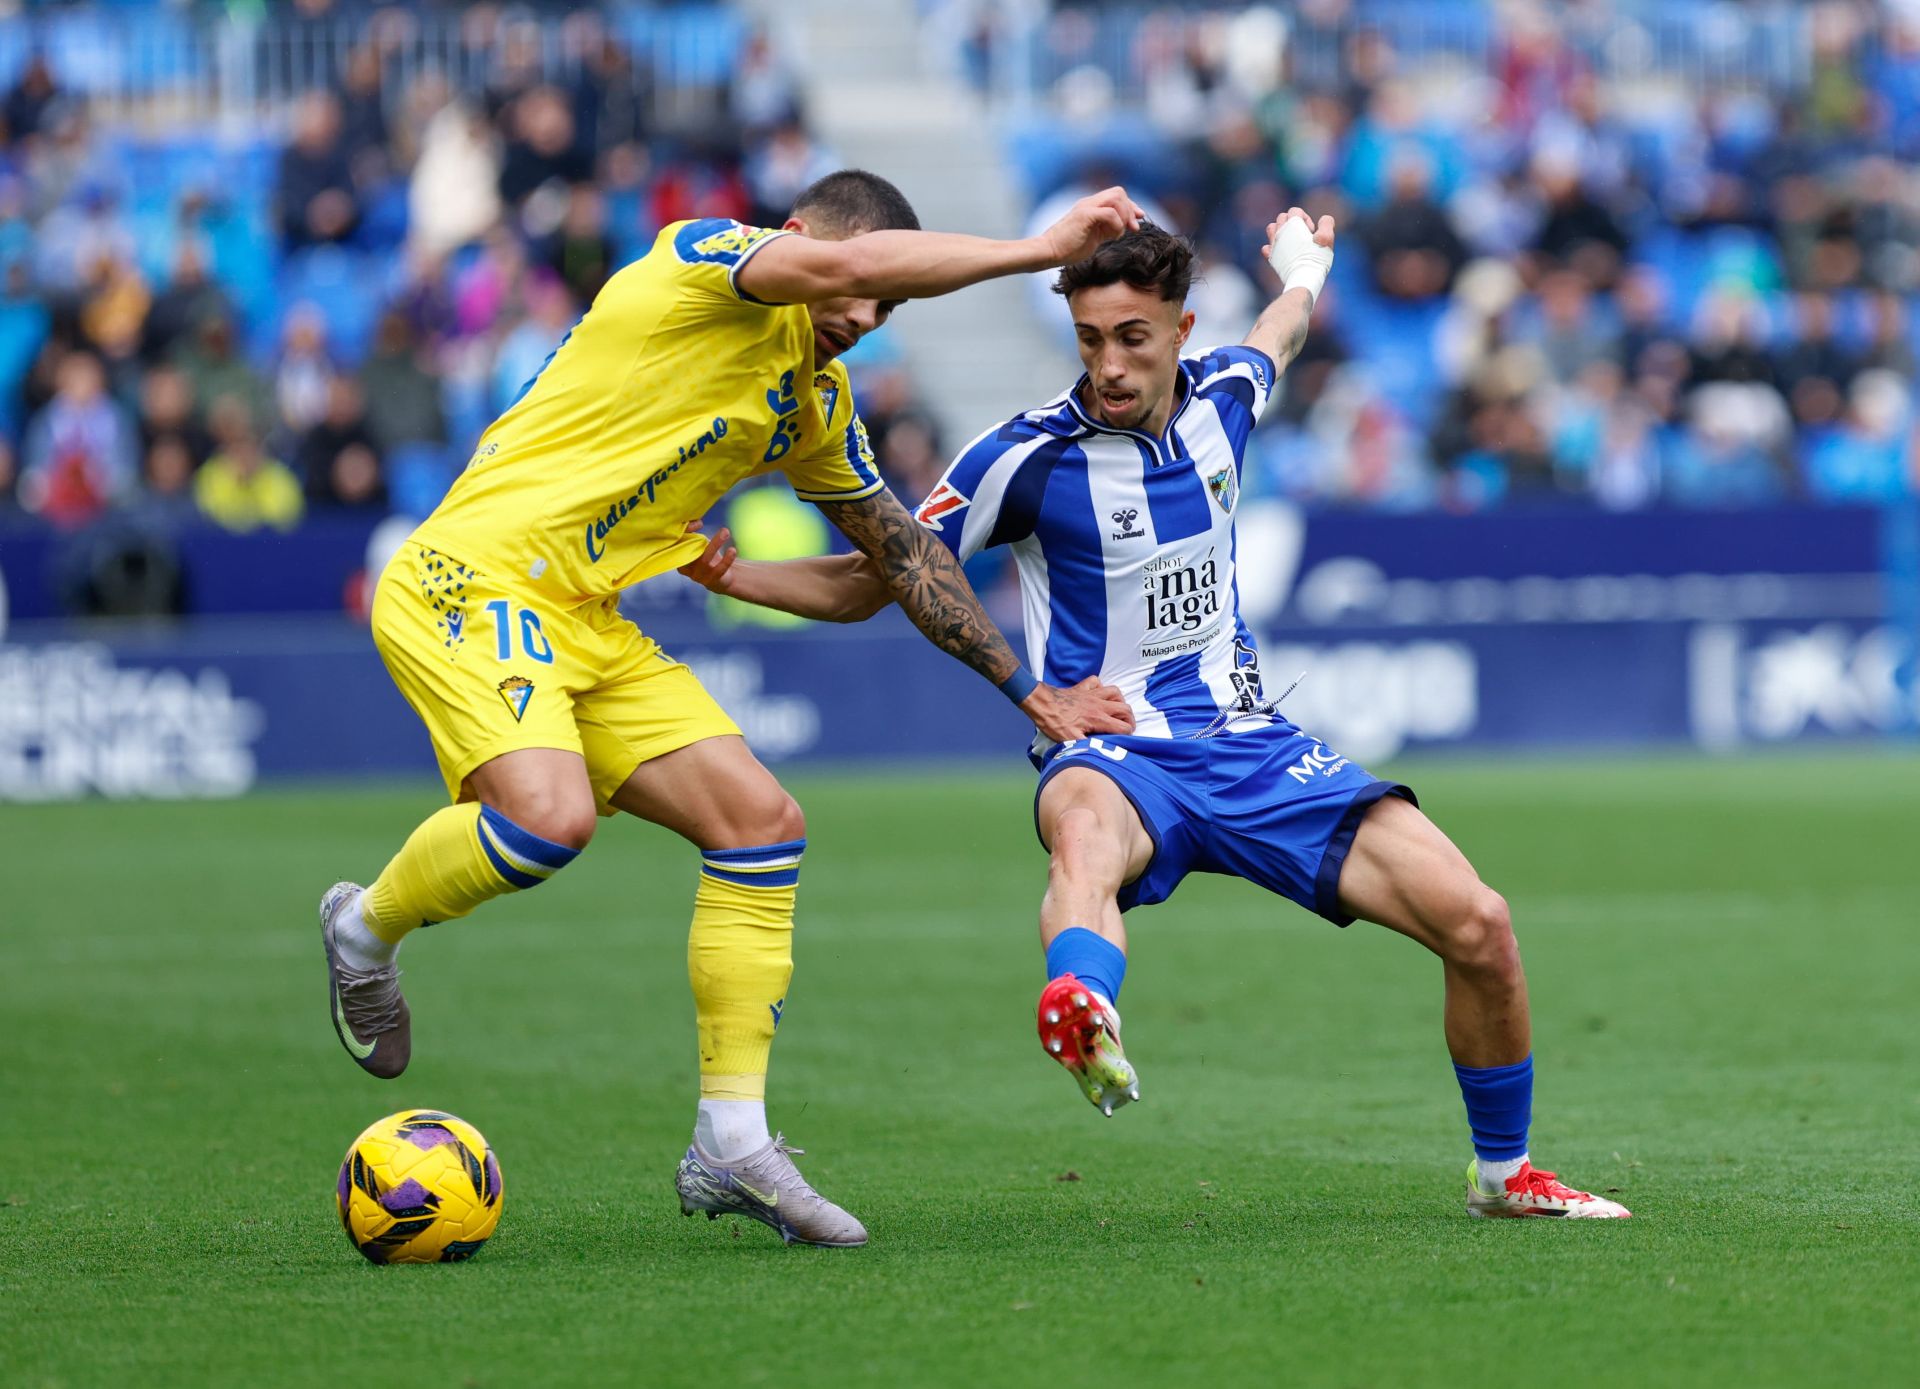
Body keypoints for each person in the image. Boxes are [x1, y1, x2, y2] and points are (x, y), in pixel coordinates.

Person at [678, 212, 1633, 1220]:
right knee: (1083, 843)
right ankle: (1081, 1005)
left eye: (1133, 337)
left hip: (1251, 747)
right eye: (1091, 341)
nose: (1111, 365)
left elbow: (1283, 331)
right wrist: (738, 573)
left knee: (1480, 924)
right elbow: (880, 578)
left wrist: (1304, 267)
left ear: (1180, 327)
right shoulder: (1025, 457)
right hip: (1113, 749)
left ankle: (1504, 1177)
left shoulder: (1227, 393)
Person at [316, 170, 1143, 1250]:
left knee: (761, 823)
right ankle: (360, 929)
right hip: (471, 577)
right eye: (860, 293)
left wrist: (1029, 691)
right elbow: (844, 267)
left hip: (590, 617)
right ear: (796, 241)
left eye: (885, 312)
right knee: (546, 818)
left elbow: (893, 563)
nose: (863, 319)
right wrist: (1040, 251)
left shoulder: (813, 403)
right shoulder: (698, 259)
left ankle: (731, 1142)